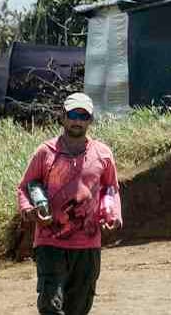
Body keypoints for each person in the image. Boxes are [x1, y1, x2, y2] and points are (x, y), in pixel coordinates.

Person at [17, 93, 122, 315]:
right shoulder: (45, 152)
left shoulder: (102, 154)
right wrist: (29, 210)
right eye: (73, 115)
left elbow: (110, 188)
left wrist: (111, 215)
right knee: (50, 306)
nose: (77, 121)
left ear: (90, 120)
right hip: (50, 242)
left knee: (79, 308)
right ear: (63, 117)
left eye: (83, 116)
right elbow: (26, 186)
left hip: (87, 245)